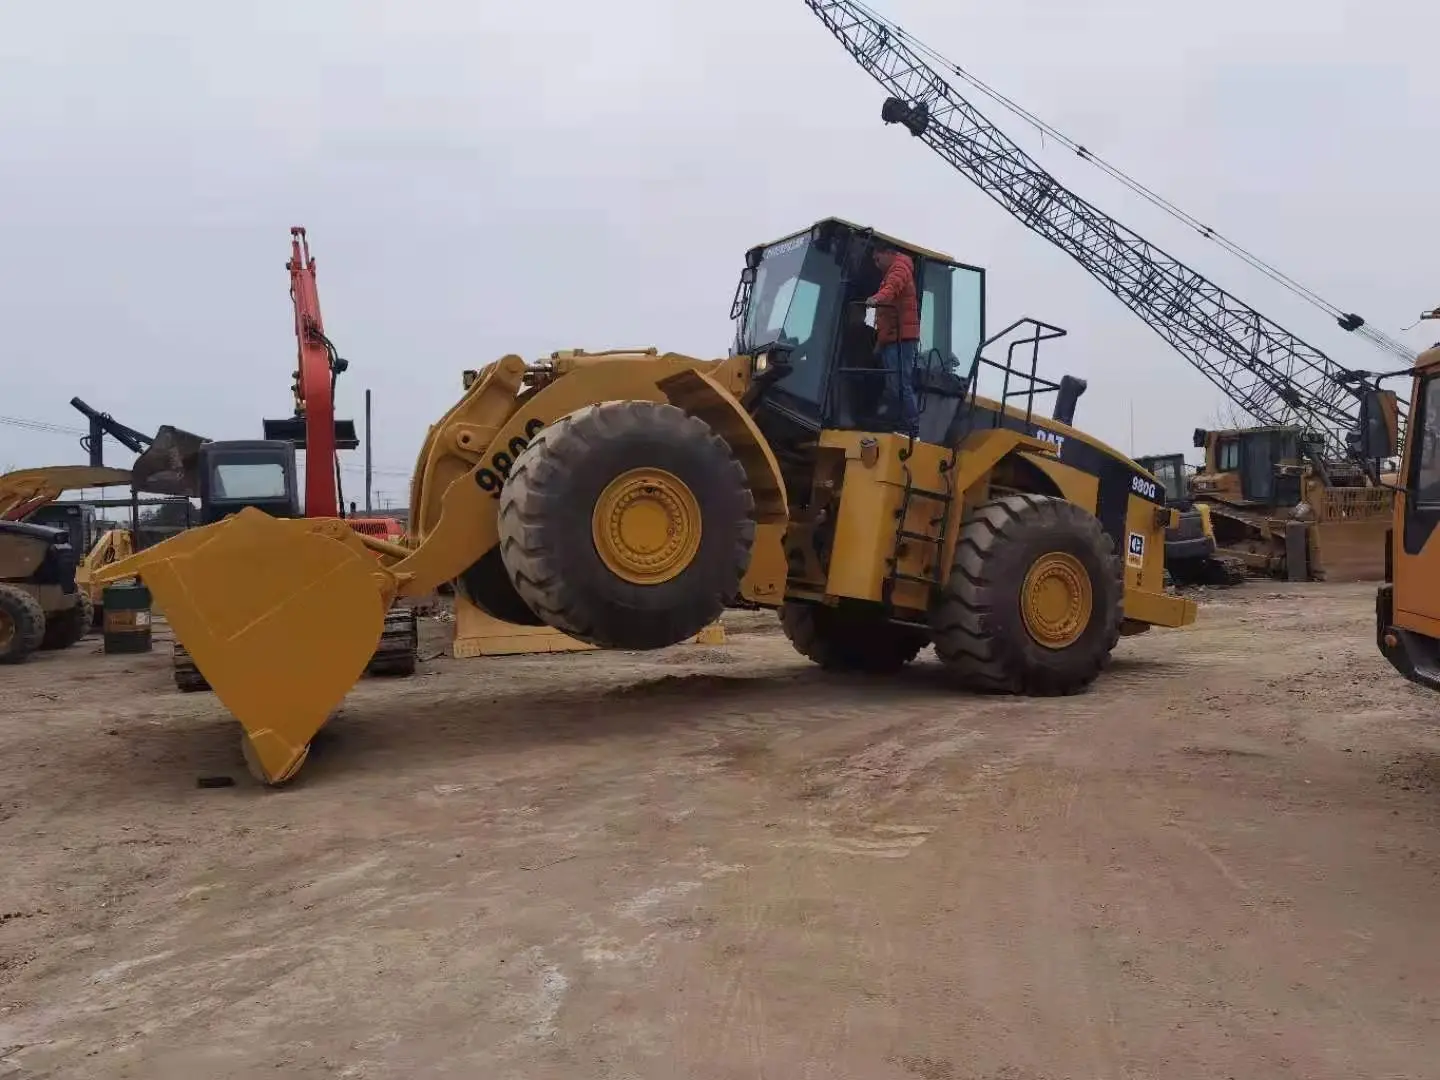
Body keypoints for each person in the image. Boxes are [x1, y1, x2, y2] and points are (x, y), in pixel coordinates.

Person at [865, 245, 921, 435]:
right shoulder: (893, 269)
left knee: (901, 383)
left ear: (888, 253)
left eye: (877, 259)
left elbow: (891, 289)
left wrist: (876, 298)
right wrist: (880, 344)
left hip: (902, 339)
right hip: (893, 338)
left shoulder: (899, 268)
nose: (876, 264)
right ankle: (893, 422)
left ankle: (911, 428)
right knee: (892, 384)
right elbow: (887, 318)